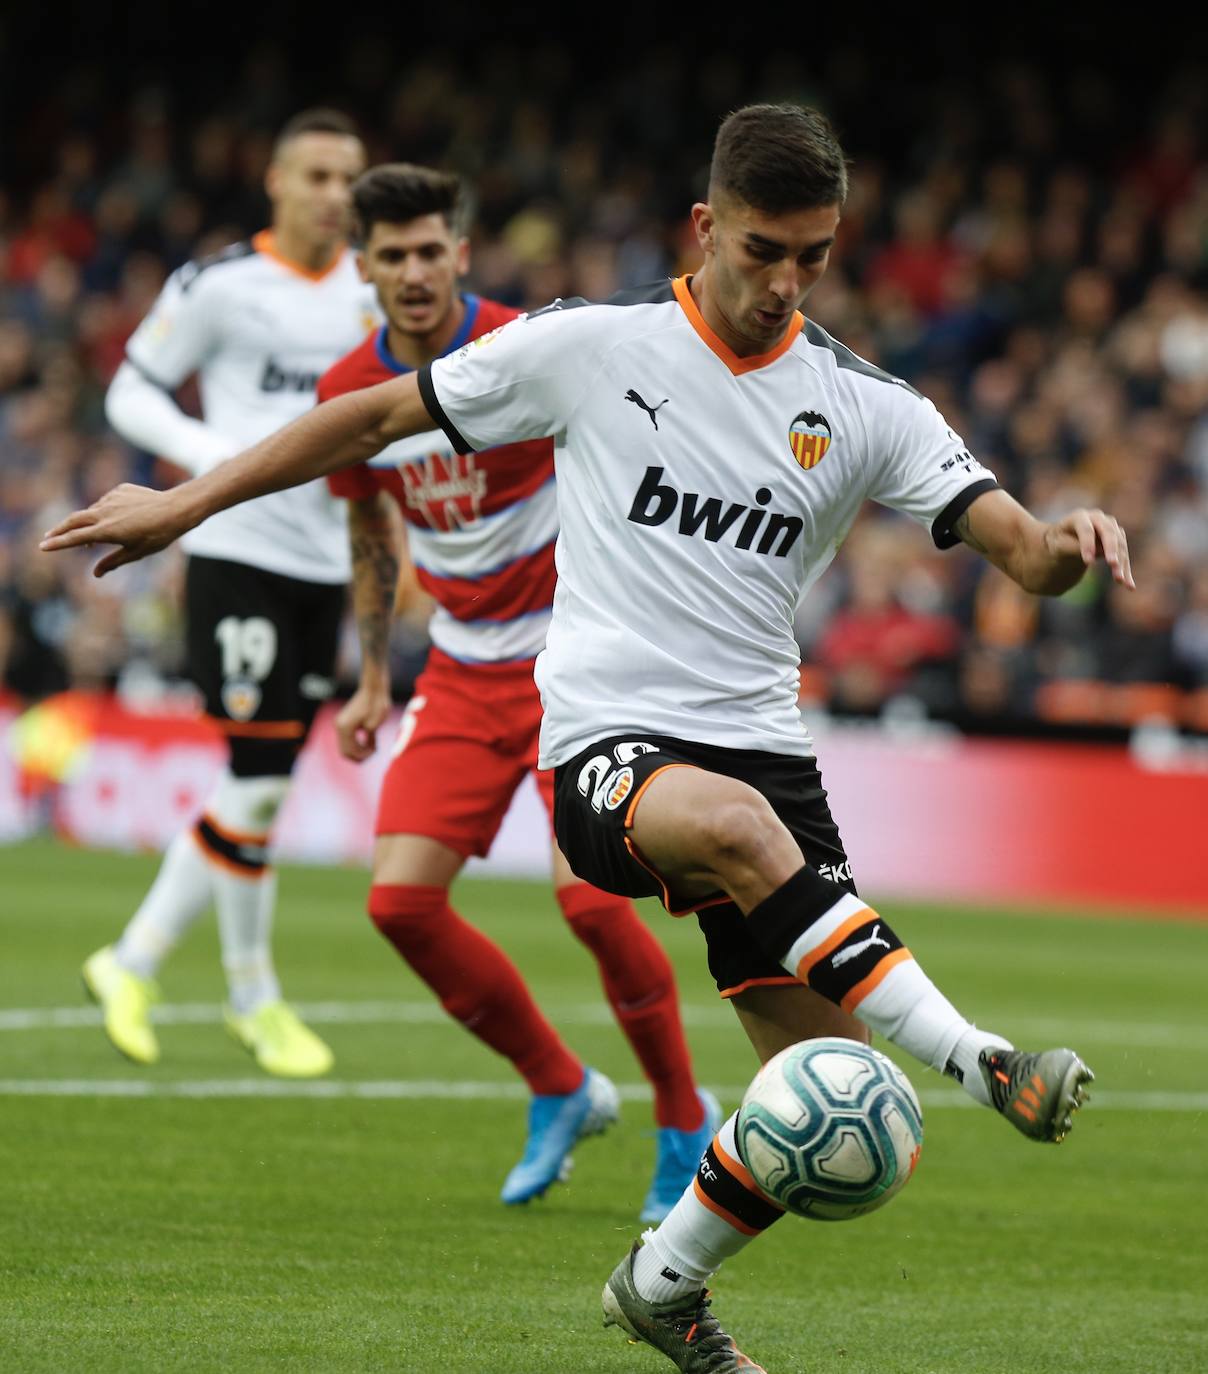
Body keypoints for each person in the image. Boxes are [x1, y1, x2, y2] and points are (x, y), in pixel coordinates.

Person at [43, 105, 1123, 1374]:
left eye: (813, 258)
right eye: (762, 250)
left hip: (765, 759)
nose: (783, 284)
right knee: (717, 833)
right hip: (609, 743)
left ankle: (662, 1288)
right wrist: (183, 501)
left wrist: (1068, 545)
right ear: (704, 227)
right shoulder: (591, 346)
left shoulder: (863, 404)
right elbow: (370, 421)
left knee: (834, 1114)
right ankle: (984, 1058)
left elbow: (1017, 547)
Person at [317, 162, 719, 1215]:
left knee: (589, 902)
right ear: (361, 266)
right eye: (389, 255)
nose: (411, 271)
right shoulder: (343, 391)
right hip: (457, 666)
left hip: (574, 665)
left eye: (428, 249)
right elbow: (370, 530)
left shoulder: (527, 344)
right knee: (399, 903)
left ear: (459, 249)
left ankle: (684, 1117)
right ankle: (559, 1085)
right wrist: (369, 680)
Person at [79, 109, 379, 1079]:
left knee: (260, 789)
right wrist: (217, 465)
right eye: (321, 177)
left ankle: (209, 985)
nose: (339, 195)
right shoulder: (221, 286)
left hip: (327, 569)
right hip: (235, 548)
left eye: (351, 179)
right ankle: (174, 972)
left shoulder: (372, 295)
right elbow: (131, 390)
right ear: (278, 184)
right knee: (254, 777)